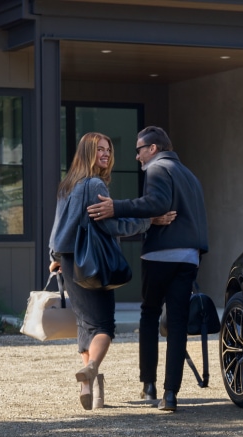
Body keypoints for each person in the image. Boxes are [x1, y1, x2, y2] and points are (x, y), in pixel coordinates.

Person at [47, 132, 175, 411]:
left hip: (67, 262)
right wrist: (149, 221)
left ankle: (91, 390)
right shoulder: (93, 184)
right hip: (92, 261)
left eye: (108, 150)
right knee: (104, 325)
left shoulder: (66, 185)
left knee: (85, 324)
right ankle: (90, 367)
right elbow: (111, 225)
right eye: (99, 150)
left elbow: (57, 229)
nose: (105, 154)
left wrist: (54, 256)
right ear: (87, 153)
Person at [87, 126, 209, 412]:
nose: (137, 157)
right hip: (189, 257)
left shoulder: (157, 168)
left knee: (150, 315)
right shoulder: (191, 176)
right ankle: (171, 395)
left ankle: (149, 385)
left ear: (153, 148)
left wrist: (116, 207)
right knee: (177, 322)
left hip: (160, 254)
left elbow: (156, 203)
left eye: (139, 150)